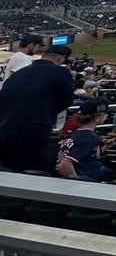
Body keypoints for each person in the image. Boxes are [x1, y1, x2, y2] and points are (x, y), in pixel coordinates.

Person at [0, 44, 75, 172]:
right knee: (26, 173)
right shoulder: (60, 71)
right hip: (32, 131)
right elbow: (67, 100)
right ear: (60, 59)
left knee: (7, 171)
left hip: (5, 129)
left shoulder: (21, 72)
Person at [55, 98, 116, 184]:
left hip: (91, 171)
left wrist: (107, 147)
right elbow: (64, 165)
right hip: (92, 175)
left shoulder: (76, 133)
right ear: (97, 118)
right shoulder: (89, 136)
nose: (106, 116)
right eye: (105, 114)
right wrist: (77, 184)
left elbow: (86, 155)